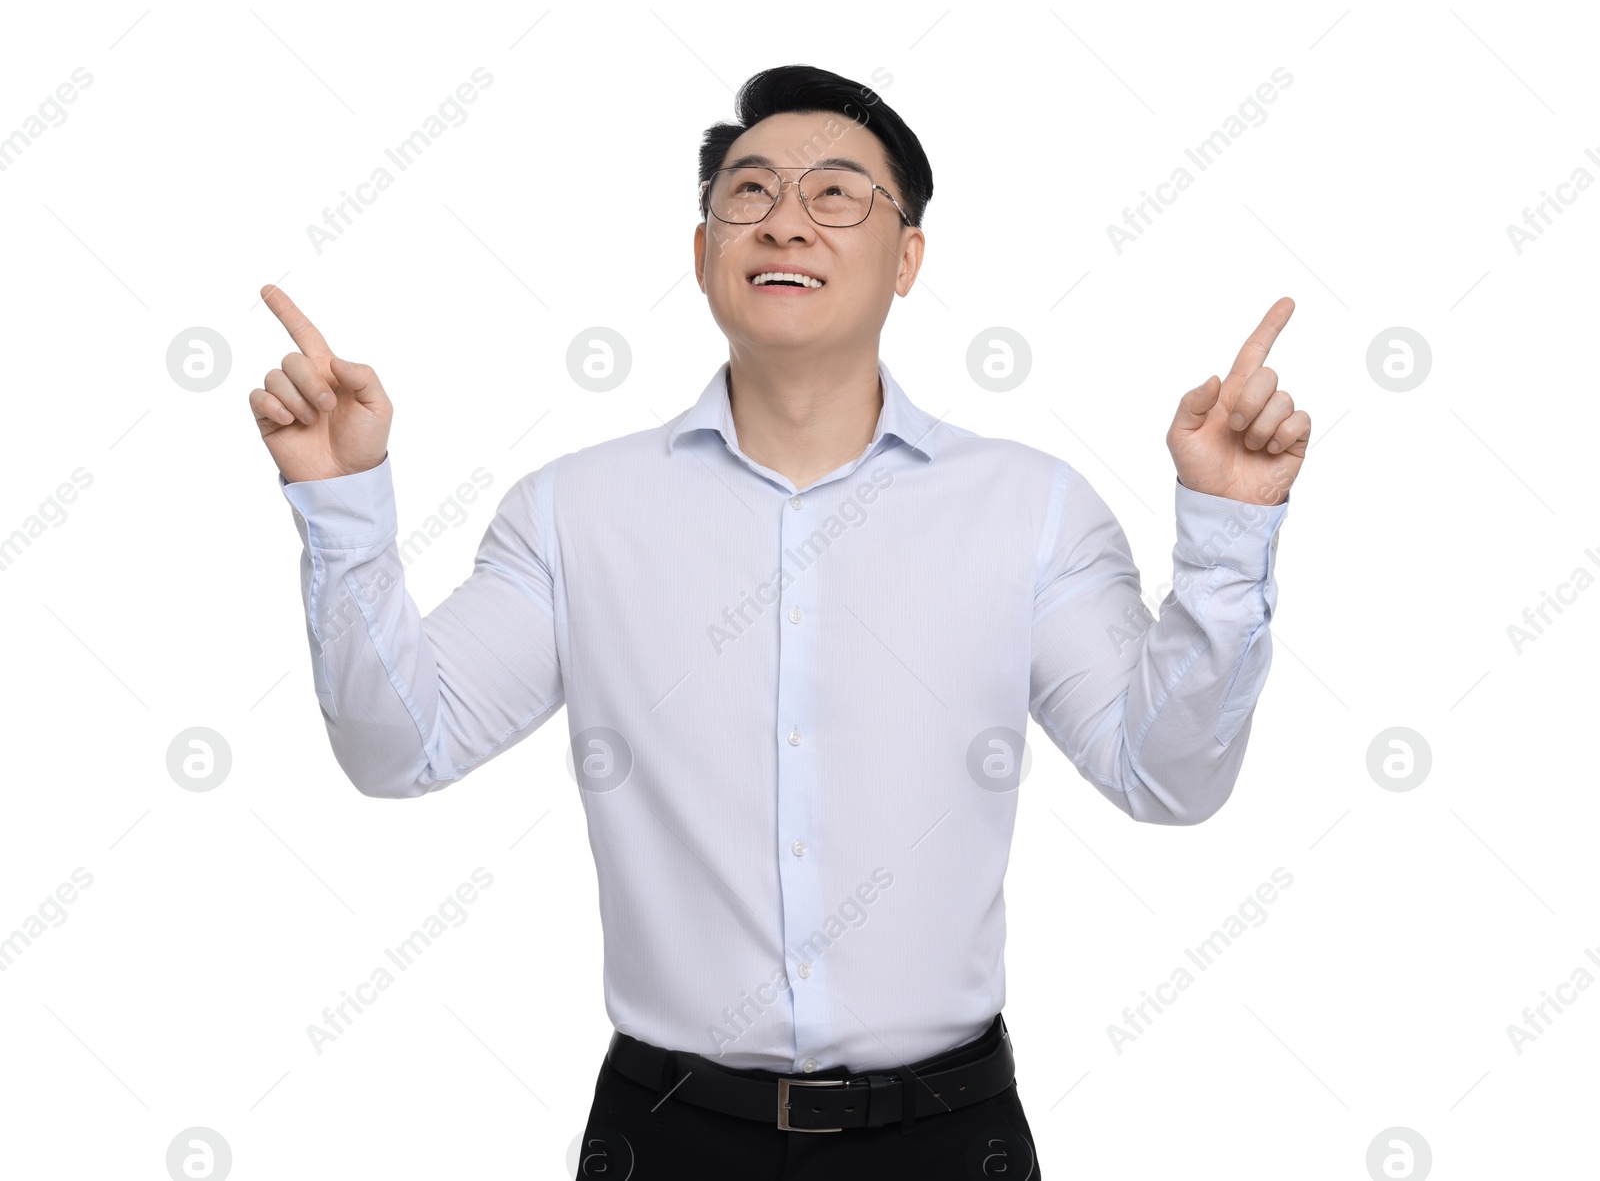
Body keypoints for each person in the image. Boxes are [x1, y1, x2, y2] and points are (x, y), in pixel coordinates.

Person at [249, 64, 1309, 1180]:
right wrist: (341, 510)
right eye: (747, 195)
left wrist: (1227, 537)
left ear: (907, 260)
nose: (784, 222)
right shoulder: (577, 512)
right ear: (704, 252)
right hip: (670, 1138)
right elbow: (400, 749)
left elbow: (1167, 777)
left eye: (836, 195)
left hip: (946, 1139)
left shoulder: (1028, 510)